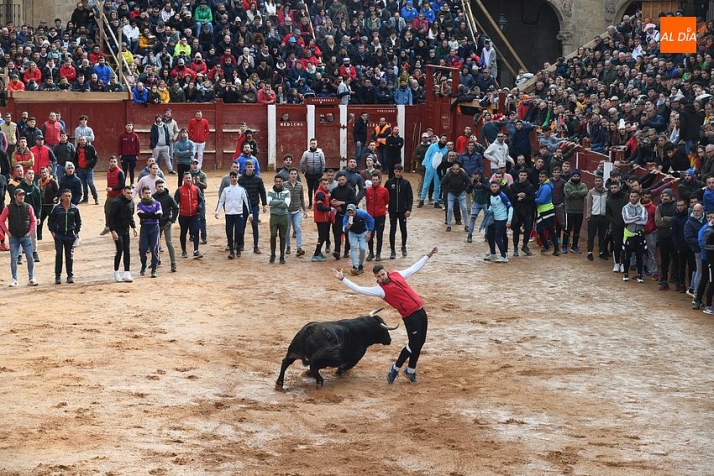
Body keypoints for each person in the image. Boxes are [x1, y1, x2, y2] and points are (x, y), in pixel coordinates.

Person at [331, 246, 439, 384]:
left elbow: (413, 268)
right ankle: (396, 367)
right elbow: (359, 289)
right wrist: (343, 279)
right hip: (411, 317)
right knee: (413, 345)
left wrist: (428, 255)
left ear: (385, 272)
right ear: (376, 278)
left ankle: (410, 370)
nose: (382, 277)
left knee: (420, 343)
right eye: (379, 277)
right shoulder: (380, 290)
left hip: (421, 311)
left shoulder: (397, 275)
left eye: (383, 274)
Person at [0, 188, 39, 287]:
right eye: (19, 195)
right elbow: (1, 220)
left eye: (23, 195)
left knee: (30, 257)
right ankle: (14, 279)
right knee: (14, 258)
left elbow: (33, 220)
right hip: (14, 237)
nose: (22, 197)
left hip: (25, 236)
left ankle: (31, 277)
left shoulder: (28, 207)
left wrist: (30, 232)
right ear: (15, 196)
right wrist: (7, 232)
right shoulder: (8, 208)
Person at [48, 188, 81, 284]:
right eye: (66, 196)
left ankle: (70, 275)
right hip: (59, 235)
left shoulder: (74, 209)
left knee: (69, 256)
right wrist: (53, 232)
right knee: (59, 255)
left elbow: (78, 222)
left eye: (69, 196)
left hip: (70, 235)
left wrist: (76, 232)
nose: (68, 198)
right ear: (62, 197)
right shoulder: (57, 208)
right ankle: (57, 276)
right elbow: (51, 221)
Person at [215, 170, 250, 259]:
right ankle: (231, 251)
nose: (234, 179)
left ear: (238, 178)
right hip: (229, 214)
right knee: (229, 233)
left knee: (239, 232)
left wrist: (250, 213)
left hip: (238, 214)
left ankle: (238, 247)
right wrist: (217, 211)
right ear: (230, 178)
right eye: (233, 177)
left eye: (236, 177)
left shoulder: (241, 189)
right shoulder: (226, 190)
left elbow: (246, 201)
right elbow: (221, 201)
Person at [108, 186, 137, 283]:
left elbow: (131, 216)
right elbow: (111, 217)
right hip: (117, 229)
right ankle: (116, 272)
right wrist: (112, 231)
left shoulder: (132, 202)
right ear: (124, 192)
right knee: (120, 250)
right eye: (128, 193)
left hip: (125, 229)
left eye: (131, 193)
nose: (130, 195)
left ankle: (127, 272)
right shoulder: (117, 202)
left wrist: (133, 227)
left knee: (127, 250)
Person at [174, 171, 205, 259]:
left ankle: (196, 250)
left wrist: (199, 206)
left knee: (196, 232)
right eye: (186, 178)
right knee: (183, 232)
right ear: (183, 179)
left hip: (195, 214)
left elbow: (201, 200)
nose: (188, 179)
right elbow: (175, 203)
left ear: (192, 179)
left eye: (189, 178)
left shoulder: (196, 189)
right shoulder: (179, 190)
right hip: (183, 215)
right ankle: (184, 250)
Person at [239, 161, 267, 254]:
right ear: (245, 167)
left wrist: (264, 204)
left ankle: (256, 246)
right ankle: (241, 244)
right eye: (248, 167)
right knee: (242, 225)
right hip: (243, 206)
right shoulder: (240, 179)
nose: (250, 169)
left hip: (254, 205)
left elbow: (262, 192)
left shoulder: (258, 179)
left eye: (251, 167)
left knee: (255, 225)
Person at [385, 164, 412, 259]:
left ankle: (403, 246)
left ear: (402, 172)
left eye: (400, 171)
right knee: (393, 229)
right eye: (396, 171)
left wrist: (409, 209)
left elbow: (409, 198)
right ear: (394, 171)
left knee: (403, 229)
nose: (398, 173)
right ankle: (392, 250)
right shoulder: (389, 183)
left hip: (402, 211)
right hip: (392, 210)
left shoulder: (406, 183)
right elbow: (385, 196)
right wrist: (385, 206)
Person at [152, 179, 179, 272]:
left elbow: (176, 208)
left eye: (162, 186)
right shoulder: (153, 197)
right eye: (159, 186)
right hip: (156, 224)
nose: (161, 188)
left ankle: (173, 263)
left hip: (166, 223)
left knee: (169, 243)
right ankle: (156, 261)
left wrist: (172, 220)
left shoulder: (168, 197)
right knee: (156, 244)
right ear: (155, 187)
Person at [136, 185, 163, 278]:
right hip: (144, 228)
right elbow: (141, 216)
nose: (148, 195)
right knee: (142, 249)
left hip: (154, 227)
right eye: (146, 193)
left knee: (154, 248)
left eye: (149, 193)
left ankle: (154, 269)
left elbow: (159, 216)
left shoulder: (157, 203)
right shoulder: (140, 204)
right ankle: (143, 265)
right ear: (142, 194)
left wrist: (147, 215)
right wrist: (153, 214)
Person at [483, 181, 513, 263]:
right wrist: (488, 212)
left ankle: (504, 256)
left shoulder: (502, 196)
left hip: (502, 219)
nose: (494, 188)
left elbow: (510, 208)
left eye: (495, 186)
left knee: (497, 237)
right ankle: (493, 254)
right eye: (492, 187)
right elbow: (492, 207)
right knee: (489, 235)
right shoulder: (491, 196)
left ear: (498, 187)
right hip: (494, 219)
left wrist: (509, 220)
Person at [621, 190, 647, 283]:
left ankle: (640, 274)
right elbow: (626, 220)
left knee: (639, 256)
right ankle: (626, 273)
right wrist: (637, 217)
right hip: (629, 234)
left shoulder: (643, 208)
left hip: (639, 234)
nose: (633, 198)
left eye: (634, 196)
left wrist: (632, 218)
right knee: (627, 255)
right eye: (631, 196)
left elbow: (644, 221)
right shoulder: (625, 208)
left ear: (638, 197)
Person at [330, 171, 356, 260]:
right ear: (337, 181)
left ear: (346, 180)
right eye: (340, 180)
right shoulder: (335, 190)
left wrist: (342, 203)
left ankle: (346, 251)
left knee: (347, 233)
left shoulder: (350, 190)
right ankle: (337, 251)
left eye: (343, 180)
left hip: (348, 215)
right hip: (338, 215)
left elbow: (354, 202)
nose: (341, 181)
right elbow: (331, 201)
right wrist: (336, 207)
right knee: (336, 233)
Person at [509, 169, 535, 256]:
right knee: (516, 230)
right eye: (521, 175)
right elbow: (510, 198)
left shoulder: (530, 186)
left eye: (524, 175)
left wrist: (523, 198)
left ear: (527, 176)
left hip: (527, 211)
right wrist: (517, 196)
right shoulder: (513, 186)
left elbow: (532, 198)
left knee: (528, 229)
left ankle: (525, 245)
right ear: (518, 176)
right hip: (517, 211)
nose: (523, 177)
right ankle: (515, 247)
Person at [343, 203, 374, 275]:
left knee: (362, 248)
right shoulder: (346, 217)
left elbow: (371, 220)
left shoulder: (362, 214)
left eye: (352, 212)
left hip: (363, 232)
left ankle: (360, 265)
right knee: (353, 247)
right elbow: (344, 229)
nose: (351, 214)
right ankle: (355, 266)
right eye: (349, 213)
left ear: (355, 211)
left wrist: (369, 232)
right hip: (353, 233)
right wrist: (348, 226)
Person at [365, 172, 389, 261]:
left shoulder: (384, 190)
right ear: (371, 180)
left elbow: (386, 201)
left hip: (380, 216)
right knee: (370, 234)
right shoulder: (368, 190)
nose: (375, 181)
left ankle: (378, 253)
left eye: (376, 180)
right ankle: (371, 253)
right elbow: (367, 202)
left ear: (379, 180)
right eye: (373, 180)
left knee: (379, 235)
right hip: (371, 216)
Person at [267, 174, 291, 264]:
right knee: (273, 235)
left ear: (282, 182)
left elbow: (286, 205)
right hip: (274, 215)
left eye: (279, 182)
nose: (277, 183)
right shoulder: (270, 191)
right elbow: (270, 203)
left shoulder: (287, 191)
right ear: (274, 181)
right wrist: (281, 201)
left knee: (283, 236)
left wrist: (275, 202)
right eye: (276, 181)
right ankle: (273, 254)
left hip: (283, 216)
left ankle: (282, 256)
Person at [534, 170, 560, 256]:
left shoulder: (545, 187)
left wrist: (531, 200)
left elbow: (541, 200)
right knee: (550, 230)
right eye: (540, 177)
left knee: (541, 230)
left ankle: (548, 247)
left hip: (545, 211)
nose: (541, 178)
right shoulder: (544, 185)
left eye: (543, 177)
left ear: (546, 178)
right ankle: (554, 248)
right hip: (547, 210)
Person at [418, 134, 448, 208]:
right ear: (440, 139)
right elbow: (427, 156)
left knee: (437, 186)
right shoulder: (432, 146)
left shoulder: (446, 149)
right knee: (426, 184)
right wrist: (428, 166)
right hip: (431, 168)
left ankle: (436, 201)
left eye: (445, 139)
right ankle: (422, 200)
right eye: (443, 138)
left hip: (439, 169)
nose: (444, 140)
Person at [440, 161, 470, 232]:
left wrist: (464, 189)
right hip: (451, 193)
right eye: (454, 169)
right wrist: (447, 191)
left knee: (464, 208)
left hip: (461, 193)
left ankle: (467, 225)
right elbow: (443, 182)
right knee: (449, 209)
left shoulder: (463, 174)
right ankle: (449, 225)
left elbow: (468, 182)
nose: (456, 171)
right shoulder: (448, 175)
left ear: (459, 169)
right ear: (452, 169)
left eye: (457, 169)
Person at [563, 169, 588, 254]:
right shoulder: (567, 184)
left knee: (577, 230)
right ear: (572, 177)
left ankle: (575, 246)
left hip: (579, 211)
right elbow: (568, 195)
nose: (576, 178)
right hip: (569, 210)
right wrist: (579, 193)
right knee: (567, 229)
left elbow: (585, 192)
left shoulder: (583, 185)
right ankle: (564, 246)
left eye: (577, 176)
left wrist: (574, 193)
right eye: (574, 176)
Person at [284, 167, 307, 256]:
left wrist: (305, 210)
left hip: (297, 210)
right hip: (287, 211)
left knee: (298, 228)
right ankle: (288, 247)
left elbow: (302, 198)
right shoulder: (285, 185)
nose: (293, 175)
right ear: (289, 175)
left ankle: (299, 248)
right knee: (287, 229)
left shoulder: (300, 185)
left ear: (297, 175)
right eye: (292, 174)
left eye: (295, 174)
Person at [101, 156, 125, 236]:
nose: (113, 163)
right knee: (107, 211)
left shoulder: (120, 172)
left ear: (117, 162)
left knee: (117, 213)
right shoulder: (108, 172)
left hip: (118, 196)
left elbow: (122, 185)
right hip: (110, 196)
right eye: (111, 161)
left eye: (114, 161)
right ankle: (108, 227)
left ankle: (118, 228)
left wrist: (112, 189)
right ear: (109, 162)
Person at [586, 176, 609, 261]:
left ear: (603, 182)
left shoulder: (607, 192)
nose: (598, 182)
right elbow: (589, 205)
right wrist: (588, 215)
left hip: (603, 216)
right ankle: (589, 252)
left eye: (599, 181)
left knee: (602, 236)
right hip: (593, 216)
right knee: (591, 235)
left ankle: (601, 252)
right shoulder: (591, 192)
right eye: (596, 181)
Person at [311, 176, 333, 262]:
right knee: (322, 237)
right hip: (321, 218)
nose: (325, 186)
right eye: (324, 184)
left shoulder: (324, 192)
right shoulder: (320, 193)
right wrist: (329, 209)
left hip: (323, 218)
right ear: (320, 184)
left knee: (322, 236)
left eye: (327, 184)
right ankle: (316, 254)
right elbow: (319, 207)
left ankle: (318, 252)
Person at [299, 138, 325, 209]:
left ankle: (316, 203)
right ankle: (310, 203)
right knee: (310, 189)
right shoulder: (306, 153)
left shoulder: (320, 152)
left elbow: (323, 163)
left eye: (314, 143)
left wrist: (321, 173)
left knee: (316, 190)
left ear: (316, 144)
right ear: (310, 144)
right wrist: (304, 172)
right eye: (312, 143)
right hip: (309, 174)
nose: (313, 145)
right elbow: (301, 162)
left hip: (317, 174)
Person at [74, 136, 98, 205]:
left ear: (86, 140)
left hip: (88, 169)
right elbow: (75, 158)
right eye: (81, 140)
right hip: (80, 169)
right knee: (84, 184)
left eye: (83, 140)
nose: (82, 141)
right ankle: (85, 199)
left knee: (90, 183)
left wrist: (91, 166)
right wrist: (77, 167)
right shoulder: (77, 149)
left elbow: (95, 158)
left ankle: (96, 198)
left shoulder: (91, 148)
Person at [37, 167, 59, 241]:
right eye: (42, 172)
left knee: (53, 221)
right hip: (42, 205)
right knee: (39, 221)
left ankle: (56, 236)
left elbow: (57, 192)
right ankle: (38, 237)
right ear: (40, 174)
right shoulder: (38, 182)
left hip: (50, 205)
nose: (44, 173)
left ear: (48, 173)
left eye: (45, 172)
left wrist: (56, 198)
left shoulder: (52, 181)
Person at [118, 122, 141, 186]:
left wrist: (137, 155)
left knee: (132, 170)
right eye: (128, 125)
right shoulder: (121, 135)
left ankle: (132, 183)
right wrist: (120, 154)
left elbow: (138, 146)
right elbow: (119, 145)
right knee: (124, 170)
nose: (129, 126)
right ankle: (123, 183)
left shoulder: (135, 135)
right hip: (124, 156)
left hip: (133, 156)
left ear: (132, 127)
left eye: (130, 125)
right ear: (125, 126)